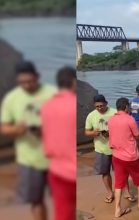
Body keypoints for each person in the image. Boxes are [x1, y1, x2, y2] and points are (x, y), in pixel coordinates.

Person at [1, 61, 56, 220]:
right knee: (36, 200)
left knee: (64, 196)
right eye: (22, 82)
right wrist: (15, 130)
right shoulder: (11, 99)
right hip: (29, 160)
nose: (27, 85)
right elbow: (4, 127)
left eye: (30, 81)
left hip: (55, 156)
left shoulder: (51, 93)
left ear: (37, 77)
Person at [41, 67, 76, 220]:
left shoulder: (46, 106)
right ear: (73, 82)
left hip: (56, 167)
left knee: (62, 211)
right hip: (71, 168)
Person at [85, 95, 136, 203]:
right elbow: (87, 131)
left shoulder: (114, 113)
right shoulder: (91, 115)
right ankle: (109, 192)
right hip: (101, 149)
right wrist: (94, 133)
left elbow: (125, 125)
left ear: (106, 103)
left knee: (122, 171)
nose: (99, 108)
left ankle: (126, 191)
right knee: (105, 172)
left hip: (117, 148)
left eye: (102, 106)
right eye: (97, 106)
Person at [108, 98, 139, 218]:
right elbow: (137, 136)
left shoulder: (111, 120)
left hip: (116, 156)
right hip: (131, 156)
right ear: (126, 107)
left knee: (118, 183)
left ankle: (117, 209)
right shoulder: (130, 119)